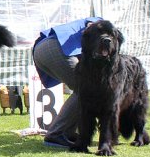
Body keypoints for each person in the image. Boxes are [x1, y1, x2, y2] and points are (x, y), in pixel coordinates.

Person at [33, 17, 103, 148]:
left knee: (84, 89)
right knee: (87, 90)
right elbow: (92, 25)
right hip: (56, 48)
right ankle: (56, 134)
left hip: (42, 49)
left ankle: (67, 132)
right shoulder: (100, 23)